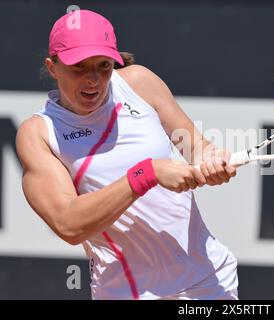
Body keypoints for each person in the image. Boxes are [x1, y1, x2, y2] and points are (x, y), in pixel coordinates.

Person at [16, 9, 238, 300]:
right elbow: (68, 224)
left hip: (207, 281)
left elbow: (195, 146)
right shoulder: (38, 133)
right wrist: (147, 173)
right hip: (125, 291)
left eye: (103, 66)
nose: (93, 79)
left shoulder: (139, 83)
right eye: (79, 67)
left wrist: (211, 159)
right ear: (53, 67)